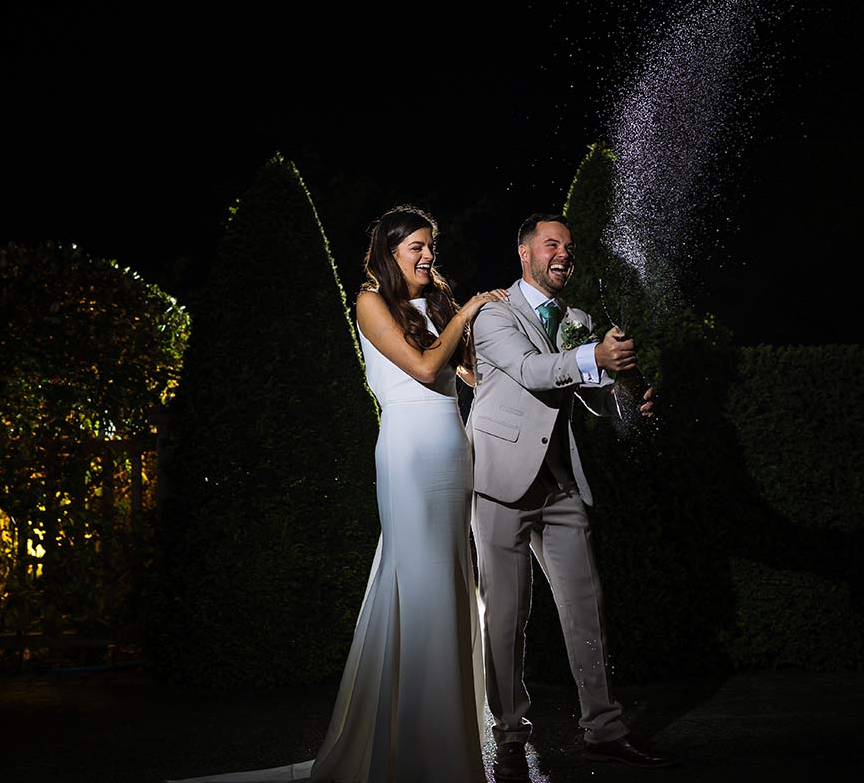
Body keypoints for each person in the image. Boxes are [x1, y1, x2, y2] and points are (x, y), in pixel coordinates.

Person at [166, 205, 506, 783]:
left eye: (431, 246)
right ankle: (423, 752)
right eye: (416, 247)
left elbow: (469, 373)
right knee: (418, 585)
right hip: (408, 451)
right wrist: (471, 309)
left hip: (455, 447)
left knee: (452, 585)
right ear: (389, 252)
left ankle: (449, 738)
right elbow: (425, 369)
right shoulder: (370, 303)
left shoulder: (440, 304)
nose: (427, 256)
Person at [466, 212, 678, 779]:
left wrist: (629, 394)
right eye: (552, 243)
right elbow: (532, 370)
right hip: (500, 485)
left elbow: (590, 391)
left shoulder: (578, 319)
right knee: (507, 619)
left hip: (561, 486)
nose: (564, 253)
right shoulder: (492, 313)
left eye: (570, 246)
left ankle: (604, 730)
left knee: (587, 609)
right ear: (525, 254)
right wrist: (594, 359)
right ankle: (509, 733)